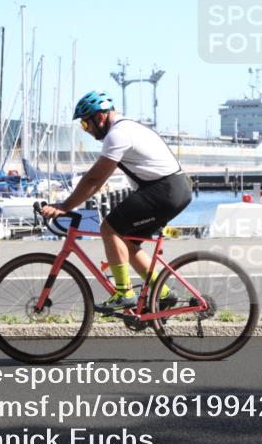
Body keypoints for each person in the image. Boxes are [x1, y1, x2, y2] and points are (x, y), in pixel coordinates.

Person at [41, 90, 192, 312]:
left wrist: (64, 206)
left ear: (99, 117)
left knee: (109, 229)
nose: (87, 131)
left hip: (164, 190)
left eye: (85, 125)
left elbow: (95, 179)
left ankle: (124, 293)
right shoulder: (127, 128)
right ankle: (164, 294)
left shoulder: (117, 134)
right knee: (126, 244)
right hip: (173, 189)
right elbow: (97, 181)